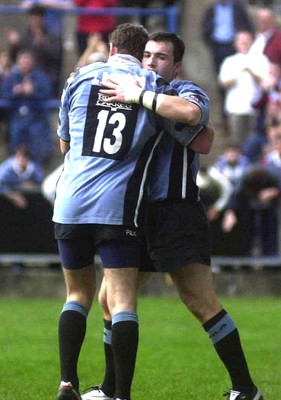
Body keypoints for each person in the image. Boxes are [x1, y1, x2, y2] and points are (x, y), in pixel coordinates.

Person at [82, 32, 264, 400]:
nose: (151, 62)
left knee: (200, 300)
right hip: (138, 212)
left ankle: (246, 389)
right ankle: (110, 387)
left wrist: (143, 98)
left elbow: (199, 126)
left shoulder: (184, 90)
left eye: (161, 57)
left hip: (177, 211)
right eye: (147, 55)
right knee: (109, 298)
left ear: (176, 65)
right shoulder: (134, 93)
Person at [53, 23, 207, 400]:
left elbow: (64, 144)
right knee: (122, 300)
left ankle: (67, 384)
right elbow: (198, 132)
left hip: (69, 202)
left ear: (110, 48)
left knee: (77, 295)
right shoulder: (151, 85)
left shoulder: (78, 78)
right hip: (118, 206)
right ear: (141, 55)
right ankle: (120, 395)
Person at [201, 0, 254, 123]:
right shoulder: (211, 8)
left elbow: (247, 27)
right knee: (222, 80)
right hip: (218, 47)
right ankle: (224, 114)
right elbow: (205, 28)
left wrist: (242, 42)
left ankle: (240, 111)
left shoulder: (238, 7)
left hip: (234, 45)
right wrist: (211, 44)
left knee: (239, 77)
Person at [1, 50, 54, 166]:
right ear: (18, 62)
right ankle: (14, 173)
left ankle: (36, 172)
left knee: (36, 147)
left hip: (36, 117)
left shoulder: (40, 77)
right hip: (16, 117)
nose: (25, 64)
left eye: (27, 61)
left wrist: (33, 92)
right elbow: (4, 95)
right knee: (14, 144)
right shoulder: (12, 77)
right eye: (22, 61)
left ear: (32, 62)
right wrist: (15, 92)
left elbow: (47, 94)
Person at [218, 31, 269, 144]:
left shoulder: (261, 59)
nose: (244, 44)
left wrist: (251, 71)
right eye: (242, 42)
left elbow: (266, 82)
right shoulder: (229, 61)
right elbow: (223, 83)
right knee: (236, 142)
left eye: (247, 41)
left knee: (255, 142)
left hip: (256, 109)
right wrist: (238, 73)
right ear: (236, 44)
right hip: (235, 108)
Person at [6, 4, 62, 95]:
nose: (35, 21)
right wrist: (14, 45)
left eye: (38, 18)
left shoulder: (51, 36)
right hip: (24, 74)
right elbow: (14, 57)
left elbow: (56, 56)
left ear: (42, 19)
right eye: (33, 18)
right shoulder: (25, 36)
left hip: (44, 75)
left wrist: (43, 43)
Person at [0, 144, 44, 209]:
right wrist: (14, 197)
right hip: (7, 199)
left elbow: (41, 183)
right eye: (19, 157)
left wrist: (31, 184)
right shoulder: (6, 169)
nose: (21, 160)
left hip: (27, 200)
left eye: (24, 157)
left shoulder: (34, 169)